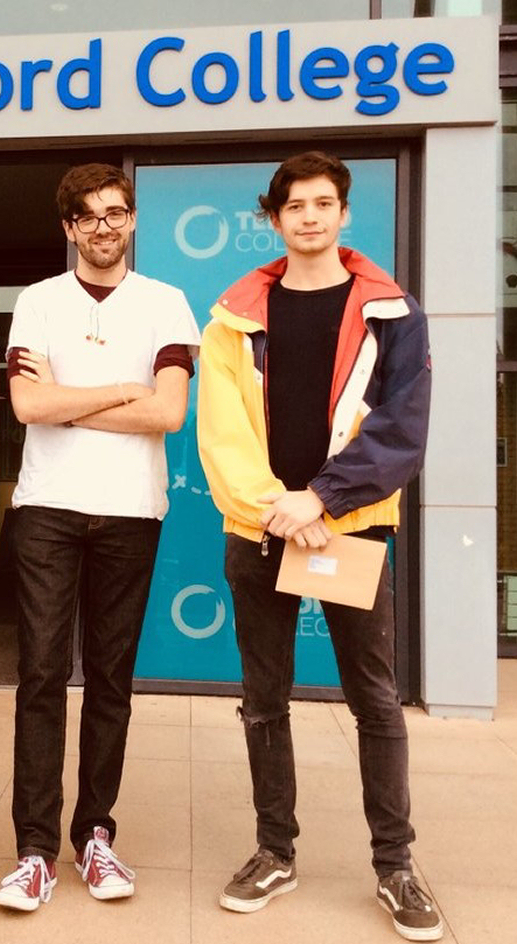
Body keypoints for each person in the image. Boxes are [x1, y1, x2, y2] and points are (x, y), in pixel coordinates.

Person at [196, 151, 441, 942]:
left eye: (323, 203)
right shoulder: (234, 315)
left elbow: (402, 431)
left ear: (343, 214)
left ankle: (395, 866)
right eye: (294, 204)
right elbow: (221, 432)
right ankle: (275, 851)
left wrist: (322, 501)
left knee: (374, 701)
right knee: (264, 701)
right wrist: (279, 507)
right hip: (261, 531)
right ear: (274, 219)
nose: (309, 216)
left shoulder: (392, 311)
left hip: (351, 529)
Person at [0, 163, 200, 912]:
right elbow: (24, 404)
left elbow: (169, 414)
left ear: (133, 219)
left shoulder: (167, 304)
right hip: (48, 509)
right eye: (89, 216)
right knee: (41, 678)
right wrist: (121, 387)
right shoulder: (39, 302)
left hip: (131, 512)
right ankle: (35, 851)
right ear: (69, 228)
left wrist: (65, 402)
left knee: (110, 683)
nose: (104, 226)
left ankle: (97, 836)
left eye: (117, 212)